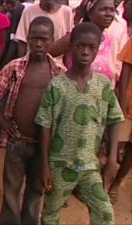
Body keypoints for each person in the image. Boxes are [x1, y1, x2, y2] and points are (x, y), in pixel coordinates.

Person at [36, 22, 124, 225]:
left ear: (97, 49)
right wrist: (44, 165)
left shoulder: (103, 85)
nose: (85, 52)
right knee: (51, 214)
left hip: (90, 165)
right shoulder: (57, 85)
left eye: (91, 47)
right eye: (80, 46)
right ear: (71, 46)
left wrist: (111, 159)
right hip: (60, 164)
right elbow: (45, 125)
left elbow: (115, 119)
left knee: (105, 213)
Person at [0, 17, 65, 225]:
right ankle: (10, 221)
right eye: (34, 38)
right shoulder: (15, 67)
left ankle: (30, 221)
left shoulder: (58, 72)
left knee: (36, 187)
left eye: (44, 39)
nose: (38, 44)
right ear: (28, 39)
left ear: (52, 40)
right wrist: (3, 123)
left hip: (44, 145)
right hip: (18, 139)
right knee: (11, 185)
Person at [50, 0, 125, 86]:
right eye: (103, 9)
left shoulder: (109, 39)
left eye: (112, 10)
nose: (108, 14)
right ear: (90, 14)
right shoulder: (76, 35)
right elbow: (48, 53)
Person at [109, 37, 132, 203]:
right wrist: (122, 103)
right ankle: (103, 179)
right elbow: (125, 72)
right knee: (115, 144)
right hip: (129, 104)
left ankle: (116, 183)